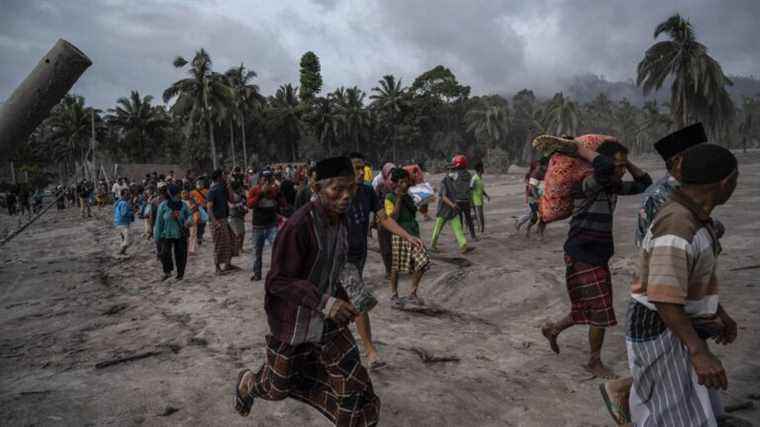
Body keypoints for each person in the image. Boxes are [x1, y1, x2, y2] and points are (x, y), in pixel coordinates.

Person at [233, 157, 380, 426]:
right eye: (338, 189)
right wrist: (325, 302)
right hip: (294, 321)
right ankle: (249, 384)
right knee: (277, 387)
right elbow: (277, 281)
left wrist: (355, 295)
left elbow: (340, 262)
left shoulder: (342, 220)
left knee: (354, 389)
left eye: (352, 188)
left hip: (327, 321)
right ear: (318, 187)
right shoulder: (299, 226)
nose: (346, 196)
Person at [599, 123, 712, 425]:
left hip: (671, 280)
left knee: (675, 368)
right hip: (664, 284)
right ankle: (623, 390)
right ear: (679, 162)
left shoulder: (673, 190)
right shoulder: (666, 196)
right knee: (667, 371)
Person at [625, 144, 738, 426]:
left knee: (688, 399)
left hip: (675, 318)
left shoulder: (694, 218)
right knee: (670, 410)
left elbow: (689, 278)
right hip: (660, 321)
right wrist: (699, 351)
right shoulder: (678, 226)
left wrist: (718, 311)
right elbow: (663, 297)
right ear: (725, 183)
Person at [540, 136, 652, 379]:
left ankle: (553, 329)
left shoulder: (612, 185)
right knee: (601, 309)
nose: (622, 171)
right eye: (618, 165)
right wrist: (582, 150)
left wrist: (626, 162)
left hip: (597, 253)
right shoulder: (588, 183)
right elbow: (602, 168)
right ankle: (594, 362)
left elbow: (645, 183)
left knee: (586, 306)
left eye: (624, 166)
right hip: (581, 251)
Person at [347, 153, 423, 368]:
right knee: (360, 299)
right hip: (339, 258)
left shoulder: (367, 192)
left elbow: (384, 218)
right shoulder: (337, 194)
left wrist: (407, 236)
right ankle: (371, 352)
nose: (362, 172)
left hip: (358, 255)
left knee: (348, 302)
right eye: (356, 168)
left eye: (363, 167)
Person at [386, 167, 430, 306]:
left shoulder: (411, 195)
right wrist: (399, 198)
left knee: (423, 261)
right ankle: (394, 295)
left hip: (413, 233)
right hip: (398, 234)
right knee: (396, 266)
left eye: (407, 182)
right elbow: (392, 218)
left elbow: (423, 211)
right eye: (403, 182)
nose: (406, 185)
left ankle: (412, 293)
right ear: (397, 183)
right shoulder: (389, 198)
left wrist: (425, 197)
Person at [247, 169, 286, 281]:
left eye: (269, 178)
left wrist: (278, 193)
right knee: (257, 253)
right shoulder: (254, 190)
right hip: (258, 227)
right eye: (265, 178)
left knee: (278, 249)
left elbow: (283, 204)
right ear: (260, 179)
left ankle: (278, 273)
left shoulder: (275, 190)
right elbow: (250, 205)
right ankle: (257, 274)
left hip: (271, 225)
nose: (267, 180)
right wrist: (260, 193)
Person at [430, 156, 473, 254]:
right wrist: (453, 205)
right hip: (444, 210)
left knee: (458, 228)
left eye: (455, 170)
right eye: (453, 170)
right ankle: (432, 246)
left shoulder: (453, 181)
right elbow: (443, 197)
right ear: (449, 171)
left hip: (452, 209)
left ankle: (463, 245)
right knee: (437, 229)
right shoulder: (444, 182)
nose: (455, 172)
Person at [154, 184, 192, 281]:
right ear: (170, 194)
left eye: (178, 193)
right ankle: (167, 272)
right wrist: (157, 238)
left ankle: (180, 275)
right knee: (164, 253)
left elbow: (190, 216)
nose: (178, 195)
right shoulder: (163, 205)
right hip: (166, 234)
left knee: (181, 254)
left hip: (180, 233)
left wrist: (188, 221)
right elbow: (159, 223)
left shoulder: (184, 205)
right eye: (175, 194)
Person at [207, 169, 238, 274]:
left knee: (231, 240)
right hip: (217, 220)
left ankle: (228, 264)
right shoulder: (212, 191)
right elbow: (209, 208)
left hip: (224, 219)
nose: (226, 177)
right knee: (219, 243)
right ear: (219, 177)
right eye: (224, 175)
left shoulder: (222, 188)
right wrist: (215, 222)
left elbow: (232, 200)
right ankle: (217, 268)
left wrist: (229, 187)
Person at [515, 158, 548, 238]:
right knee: (534, 216)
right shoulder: (535, 173)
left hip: (542, 198)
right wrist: (537, 197)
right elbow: (531, 187)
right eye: (547, 165)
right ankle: (527, 227)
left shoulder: (545, 172)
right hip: (534, 198)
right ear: (543, 165)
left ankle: (540, 233)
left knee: (543, 216)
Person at [228, 180, 248, 258]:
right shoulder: (230, 195)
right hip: (233, 216)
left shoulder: (240, 194)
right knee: (238, 234)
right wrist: (241, 204)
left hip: (239, 216)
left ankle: (240, 248)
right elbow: (231, 206)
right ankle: (236, 249)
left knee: (242, 233)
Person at [470, 161, 490, 233]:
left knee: (480, 215)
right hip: (476, 200)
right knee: (479, 215)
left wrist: (486, 195)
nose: (483, 169)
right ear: (479, 169)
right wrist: (471, 200)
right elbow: (471, 189)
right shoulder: (474, 178)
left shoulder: (480, 178)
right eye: (482, 168)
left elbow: (481, 189)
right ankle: (480, 230)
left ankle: (481, 229)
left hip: (480, 199)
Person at [113, 189, 135, 255]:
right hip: (122, 223)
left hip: (119, 223)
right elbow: (124, 213)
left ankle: (122, 251)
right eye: (127, 194)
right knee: (129, 239)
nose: (129, 196)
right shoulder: (124, 203)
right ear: (123, 195)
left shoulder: (120, 202)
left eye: (129, 194)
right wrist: (132, 212)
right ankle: (121, 251)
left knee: (125, 238)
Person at [190, 177, 209, 245]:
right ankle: (198, 237)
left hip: (204, 209)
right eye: (198, 183)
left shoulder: (206, 191)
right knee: (197, 223)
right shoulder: (192, 192)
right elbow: (190, 201)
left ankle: (200, 236)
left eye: (201, 183)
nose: (200, 184)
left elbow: (208, 200)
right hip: (196, 210)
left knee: (203, 224)